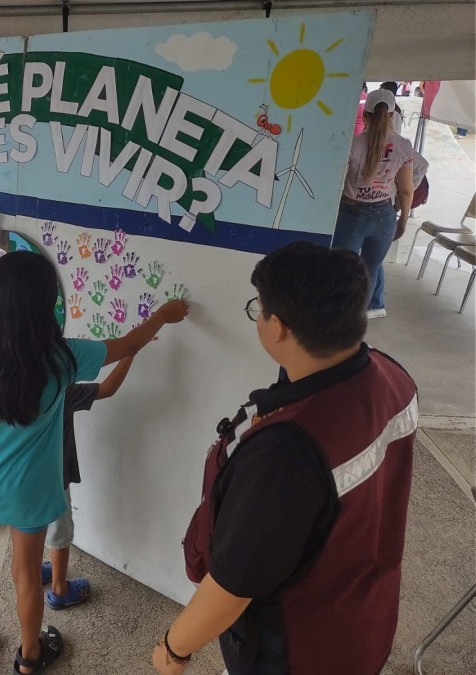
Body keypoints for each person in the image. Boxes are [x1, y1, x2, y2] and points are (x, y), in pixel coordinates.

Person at [154, 242, 417, 675]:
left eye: (258, 309)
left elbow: (233, 586)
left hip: (297, 649)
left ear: (277, 327)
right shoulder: (394, 377)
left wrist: (173, 648)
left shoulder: (286, 454)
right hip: (364, 618)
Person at [0, 249, 189, 675]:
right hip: (32, 490)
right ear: (45, 303)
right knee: (24, 573)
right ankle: (31, 657)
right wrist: (164, 315)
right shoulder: (62, 356)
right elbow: (128, 344)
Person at [42, 355, 137, 609]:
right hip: (53, 479)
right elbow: (107, 388)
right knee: (60, 533)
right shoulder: (61, 392)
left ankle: (30, 569)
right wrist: (131, 352)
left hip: (20, 478)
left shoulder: (5, 385)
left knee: (30, 524)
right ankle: (59, 590)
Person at [333, 88, 413, 319]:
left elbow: (337, 182)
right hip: (384, 217)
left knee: (343, 270)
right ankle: (356, 321)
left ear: (365, 114)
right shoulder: (404, 146)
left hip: (351, 213)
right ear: (391, 116)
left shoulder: (352, 144)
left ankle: (338, 317)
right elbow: (406, 190)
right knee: (370, 270)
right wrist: (404, 220)